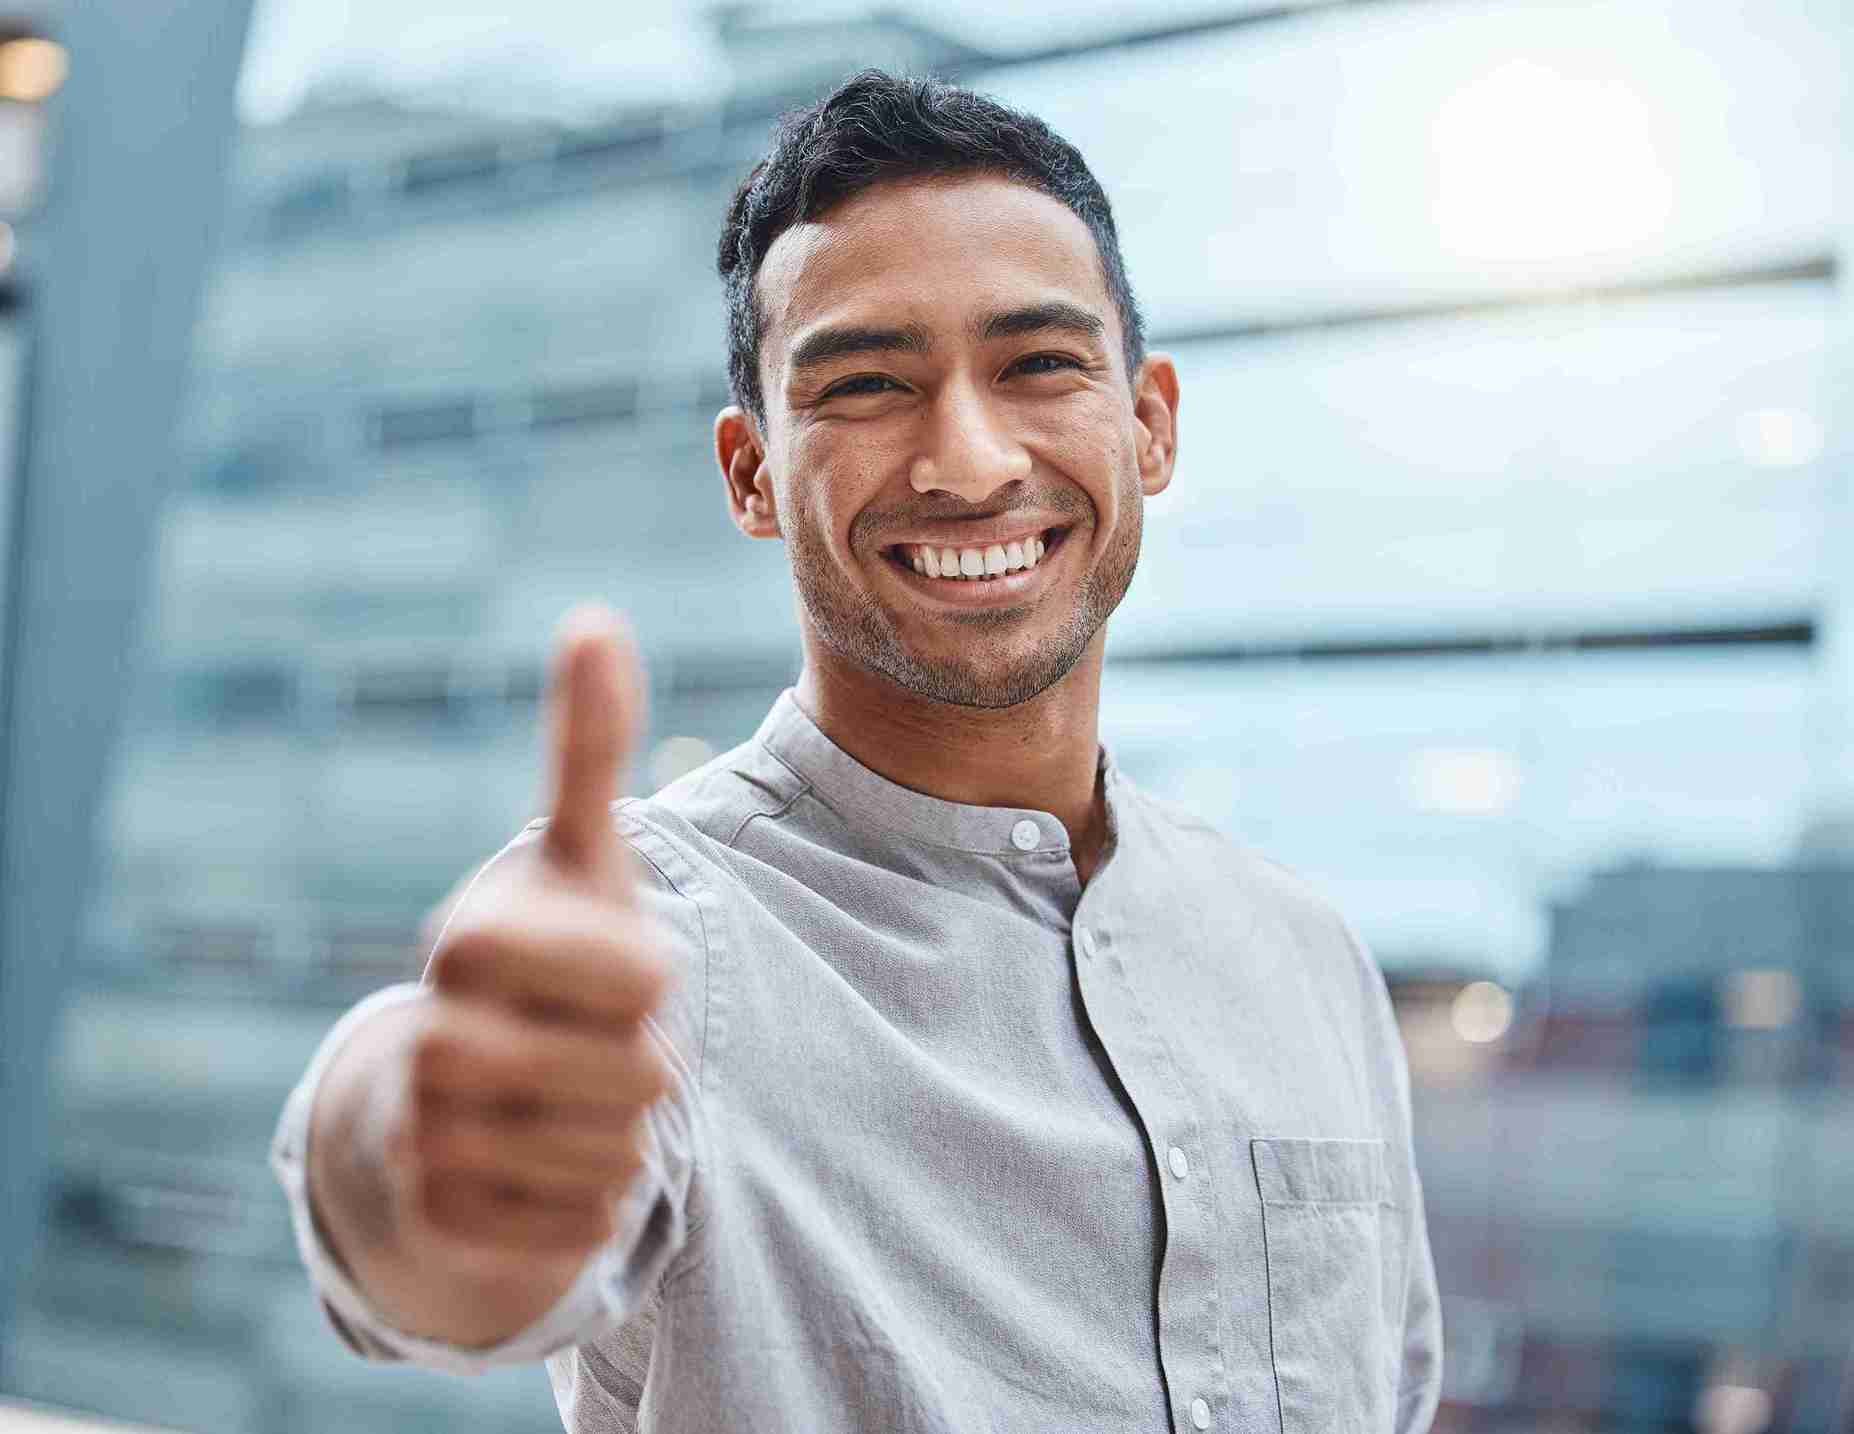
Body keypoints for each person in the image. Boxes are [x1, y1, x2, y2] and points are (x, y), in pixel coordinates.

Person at [271, 69, 1443, 1434]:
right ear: (751, 473)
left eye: (1038, 364)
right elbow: (439, 1246)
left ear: (1151, 422)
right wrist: (418, 1151)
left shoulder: (1303, 956)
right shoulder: (650, 932)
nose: (965, 458)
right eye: (868, 383)